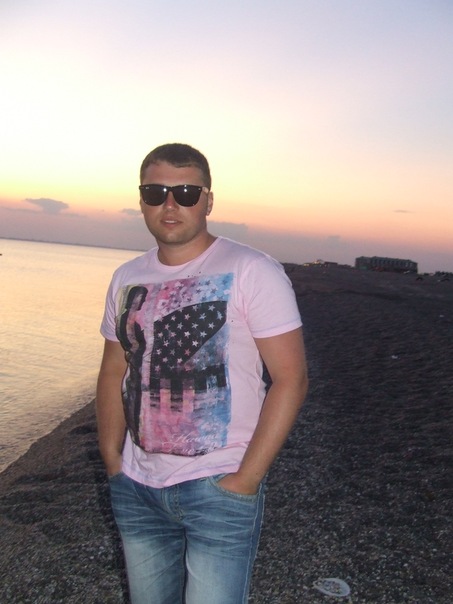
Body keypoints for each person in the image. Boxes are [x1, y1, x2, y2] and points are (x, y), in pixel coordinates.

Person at [96, 143, 308, 604]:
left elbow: (291, 379)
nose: (170, 204)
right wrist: (113, 459)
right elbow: (114, 370)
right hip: (137, 485)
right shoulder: (126, 277)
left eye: (187, 192)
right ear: (141, 200)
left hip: (219, 486)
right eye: (156, 192)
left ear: (208, 201)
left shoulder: (252, 270)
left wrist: (246, 479)